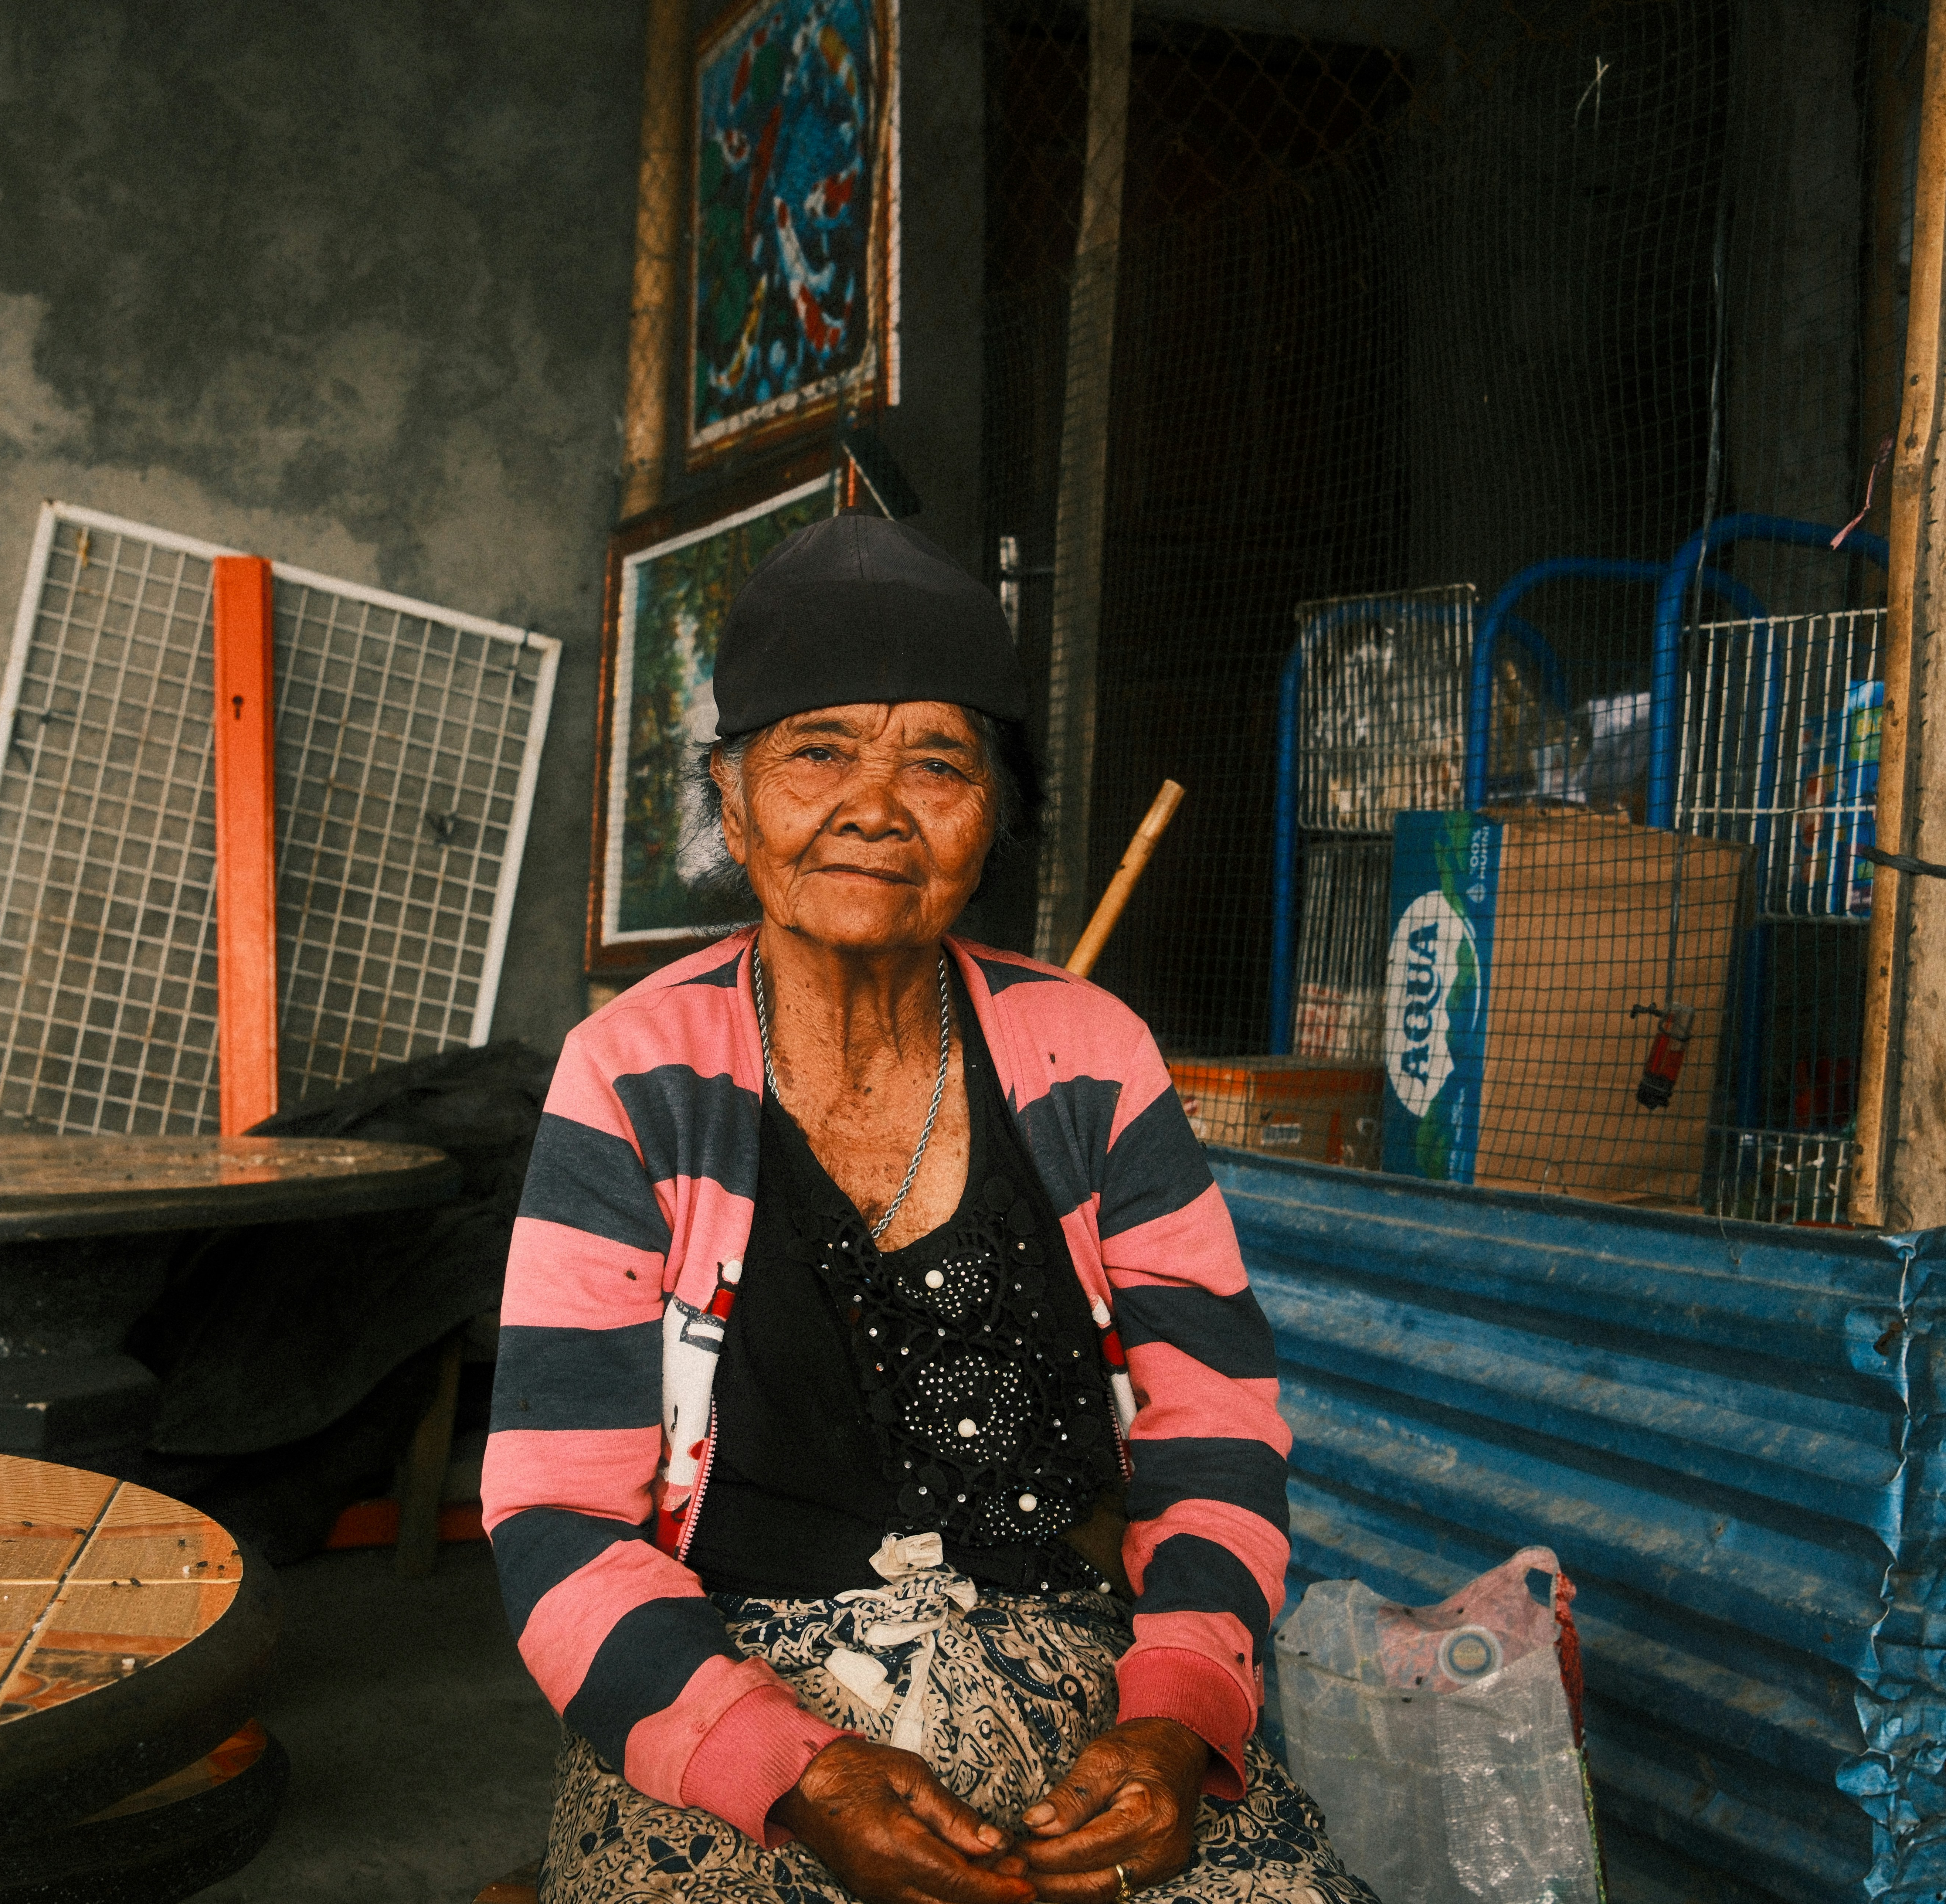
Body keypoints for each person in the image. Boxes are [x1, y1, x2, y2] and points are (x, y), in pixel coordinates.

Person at [483, 515, 1373, 1904]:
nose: (876, 805)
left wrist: (1177, 1714)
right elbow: (554, 1515)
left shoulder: (1090, 1056)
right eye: (817, 752)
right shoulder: (636, 1075)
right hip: (731, 1701)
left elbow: (1218, 1424)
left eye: (938, 763)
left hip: (1080, 1687)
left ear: (991, 818)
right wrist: (797, 1769)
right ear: (734, 803)